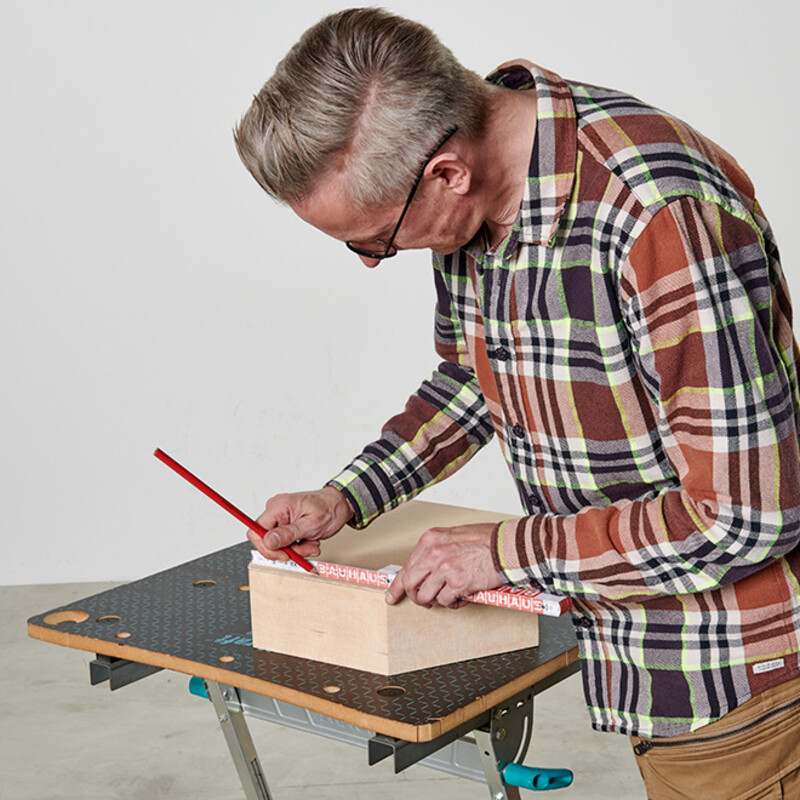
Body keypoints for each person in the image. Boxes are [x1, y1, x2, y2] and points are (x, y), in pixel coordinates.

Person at [233, 8, 800, 798]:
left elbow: (745, 516)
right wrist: (346, 498)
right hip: (633, 641)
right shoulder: (475, 209)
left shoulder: (659, 214)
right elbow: (475, 376)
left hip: (738, 684)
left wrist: (504, 553)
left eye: (375, 241)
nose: (374, 262)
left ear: (446, 173)